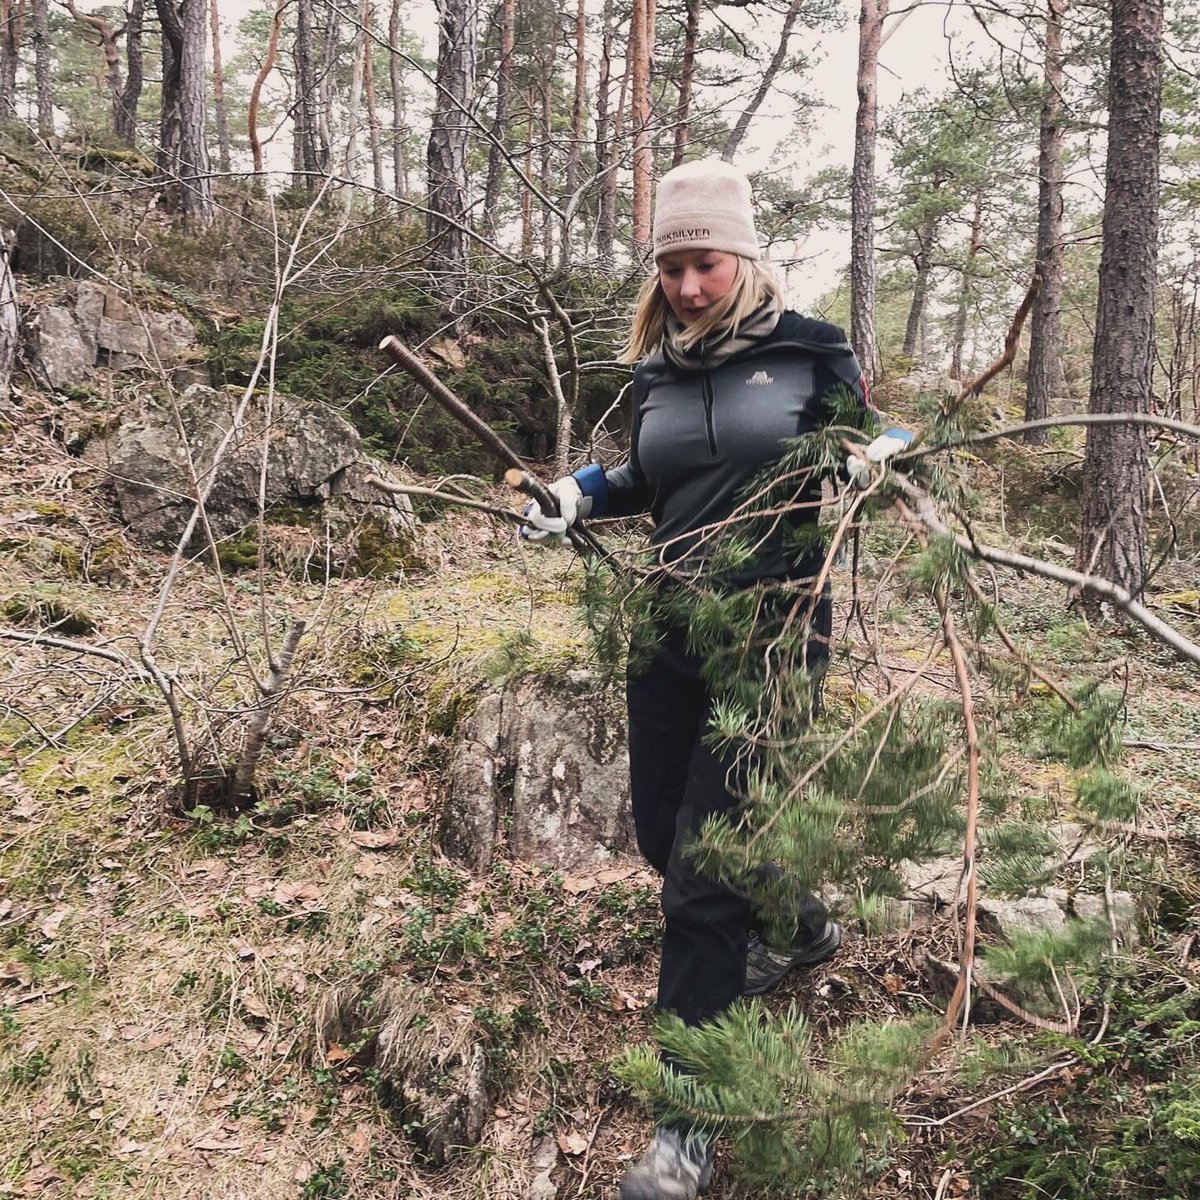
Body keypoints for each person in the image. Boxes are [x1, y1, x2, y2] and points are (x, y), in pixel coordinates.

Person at [521, 159, 904, 1200]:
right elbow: (644, 475)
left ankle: (683, 1125)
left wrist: (881, 456)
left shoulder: (809, 350)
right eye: (674, 266)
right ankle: (801, 926)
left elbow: (883, 434)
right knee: (659, 833)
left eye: (707, 262)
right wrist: (574, 494)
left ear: (744, 255)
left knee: (701, 875)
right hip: (669, 626)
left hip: (773, 633)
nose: (690, 286)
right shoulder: (659, 371)